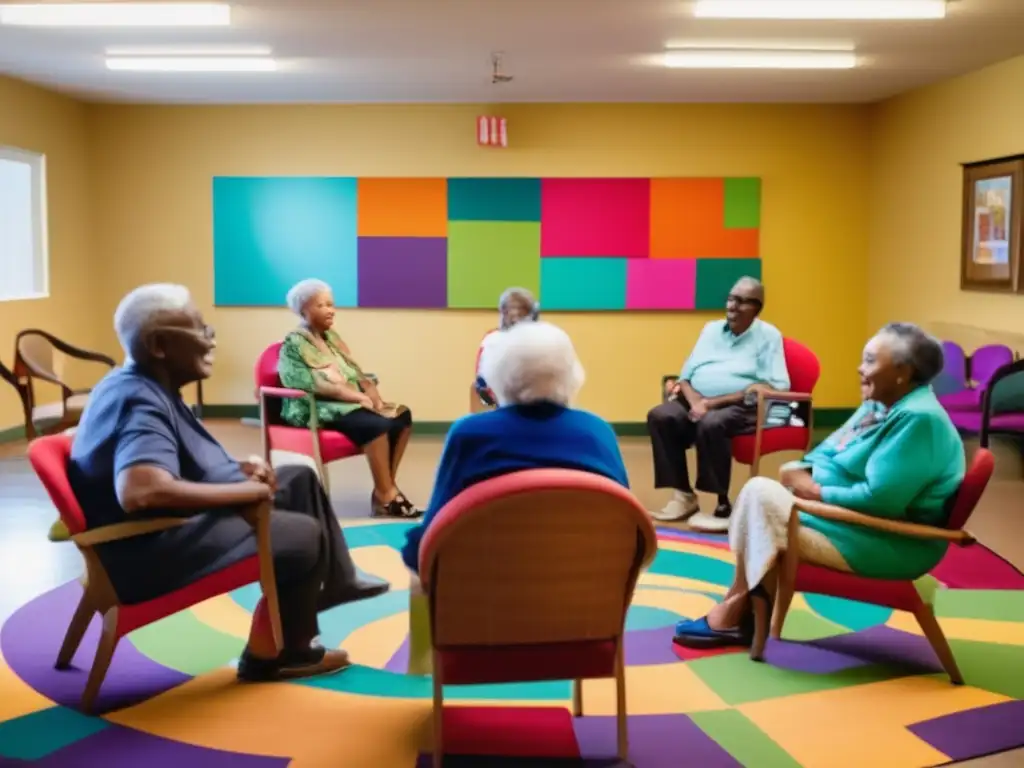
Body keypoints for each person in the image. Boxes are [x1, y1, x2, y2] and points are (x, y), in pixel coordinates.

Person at [68, 284, 390, 682]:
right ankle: (279, 654)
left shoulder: (137, 384)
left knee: (300, 479)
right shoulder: (141, 401)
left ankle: (338, 581)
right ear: (159, 345)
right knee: (302, 534)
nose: (210, 339)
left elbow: (169, 463)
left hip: (165, 531)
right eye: (199, 329)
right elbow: (141, 491)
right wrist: (243, 491)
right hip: (149, 553)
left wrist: (236, 470)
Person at [673, 322, 965, 651]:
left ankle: (736, 612)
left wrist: (814, 489)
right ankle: (741, 611)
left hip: (890, 540)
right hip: (849, 520)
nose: (859, 368)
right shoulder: (880, 403)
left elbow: (880, 500)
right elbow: (826, 453)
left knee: (759, 496)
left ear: (903, 372)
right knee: (760, 496)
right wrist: (801, 470)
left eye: (869, 360)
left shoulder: (917, 420)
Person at [402, 320, 628, 573]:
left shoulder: (470, 433)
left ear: (495, 377)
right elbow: (628, 532)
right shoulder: (598, 433)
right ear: (574, 376)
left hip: (483, 596)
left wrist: (413, 546)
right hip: (585, 595)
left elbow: (432, 534)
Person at [647, 277, 789, 533]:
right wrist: (695, 402)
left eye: (743, 301)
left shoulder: (769, 336)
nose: (733, 306)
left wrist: (710, 404)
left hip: (738, 403)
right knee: (661, 416)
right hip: (696, 398)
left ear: (757, 308)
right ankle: (683, 496)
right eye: (731, 298)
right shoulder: (711, 329)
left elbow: (775, 385)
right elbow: (685, 376)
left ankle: (720, 505)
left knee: (712, 423)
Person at [277, 279, 420, 519]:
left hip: (344, 403)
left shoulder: (330, 337)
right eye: (322, 305)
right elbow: (314, 383)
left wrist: (369, 388)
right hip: (314, 406)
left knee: (401, 416)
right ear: (304, 310)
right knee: (376, 425)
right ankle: (387, 497)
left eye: (331, 304)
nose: (330, 310)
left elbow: (351, 370)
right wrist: (356, 396)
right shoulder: (294, 343)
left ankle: (385, 491)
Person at [474, 287, 539, 407]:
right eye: (510, 309)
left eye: (521, 310)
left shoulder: (543, 339)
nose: (515, 315)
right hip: (502, 405)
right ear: (503, 312)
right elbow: (481, 382)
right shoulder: (491, 340)